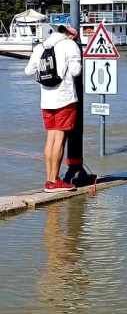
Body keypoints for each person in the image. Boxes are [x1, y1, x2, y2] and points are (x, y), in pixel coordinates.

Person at [24, 25, 82, 192]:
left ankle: (49, 180)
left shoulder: (40, 47)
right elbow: (76, 71)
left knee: (50, 137)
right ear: (70, 35)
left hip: (46, 100)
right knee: (60, 138)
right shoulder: (70, 45)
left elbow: (29, 71)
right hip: (65, 98)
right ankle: (55, 181)